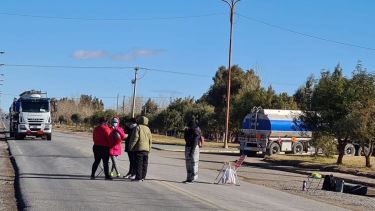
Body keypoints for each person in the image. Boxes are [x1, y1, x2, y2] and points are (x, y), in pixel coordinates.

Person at [128, 116, 152, 182]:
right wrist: (149, 148)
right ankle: (143, 177)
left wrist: (131, 147)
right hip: (146, 149)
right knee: (145, 164)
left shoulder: (138, 127)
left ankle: (138, 178)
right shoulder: (148, 129)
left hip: (139, 149)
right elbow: (150, 140)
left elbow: (135, 138)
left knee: (138, 164)